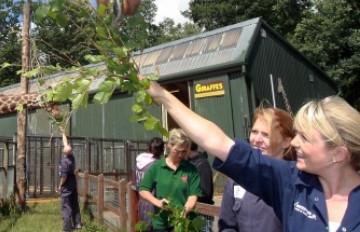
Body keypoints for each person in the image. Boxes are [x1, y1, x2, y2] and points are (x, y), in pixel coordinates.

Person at [143, 79, 360, 232]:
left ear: (338, 154)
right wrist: (163, 96)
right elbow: (217, 142)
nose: (295, 143)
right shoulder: (291, 182)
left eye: (305, 138)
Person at [219, 107, 295, 232]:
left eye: (266, 135)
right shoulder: (236, 180)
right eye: (254, 132)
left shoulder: (295, 182)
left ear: (286, 142)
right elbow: (227, 226)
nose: (257, 140)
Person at [139, 128, 202, 232]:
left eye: (184, 152)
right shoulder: (157, 167)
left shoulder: (191, 169)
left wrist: (184, 212)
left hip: (184, 223)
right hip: (161, 224)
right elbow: (143, 189)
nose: (181, 155)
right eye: (178, 151)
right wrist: (157, 202)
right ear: (169, 146)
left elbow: (193, 195)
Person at [134, 137, 165, 231]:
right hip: (154, 203)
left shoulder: (139, 163)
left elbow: (135, 180)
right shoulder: (157, 165)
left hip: (142, 202)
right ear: (162, 150)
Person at [188, 142, 214, 232]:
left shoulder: (202, 164)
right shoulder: (189, 163)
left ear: (188, 147)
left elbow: (206, 192)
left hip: (202, 213)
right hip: (192, 211)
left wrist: (190, 198)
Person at [59, 134, 81, 231]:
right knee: (74, 203)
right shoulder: (72, 157)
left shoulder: (64, 162)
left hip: (67, 186)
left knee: (66, 206)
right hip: (73, 184)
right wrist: (63, 132)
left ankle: (67, 228)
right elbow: (65, 143)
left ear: (64, 152)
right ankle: (78, 224)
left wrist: (60, 185)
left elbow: (64, 177)